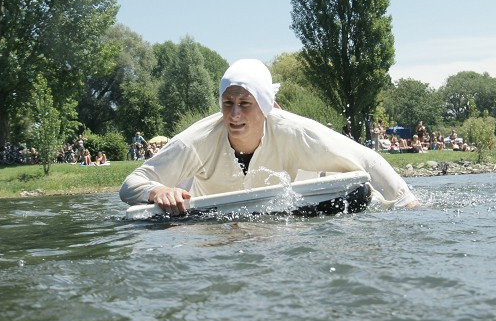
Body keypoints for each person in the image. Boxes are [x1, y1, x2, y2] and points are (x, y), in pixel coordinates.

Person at [119, 59, 418, 215]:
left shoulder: (294, 131)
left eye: (245, 104)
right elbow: (130, 185)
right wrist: (157, 192)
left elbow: (368, 159)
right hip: (211, 224)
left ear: (265, 107)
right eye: (228, 103)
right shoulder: (195, 140)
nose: (234, 114)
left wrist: (407, 203)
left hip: (276, 218)